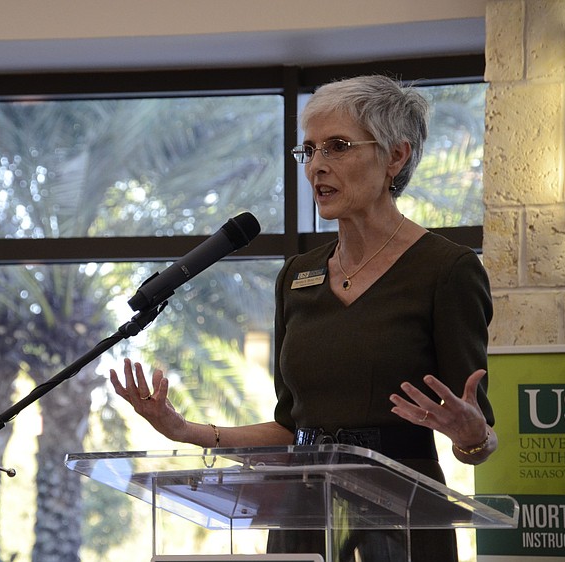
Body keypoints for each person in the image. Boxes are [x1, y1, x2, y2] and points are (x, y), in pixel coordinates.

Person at [109, 74, 497, 562]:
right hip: (304, 514)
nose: (317, 166)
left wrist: (472, 438)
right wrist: (185, 430)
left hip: (400, 519)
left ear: (395, 157)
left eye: (338, 146)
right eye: (309, 150)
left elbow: (476, 431)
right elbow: (289, 428)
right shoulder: (297, 276)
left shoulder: (447, 269)